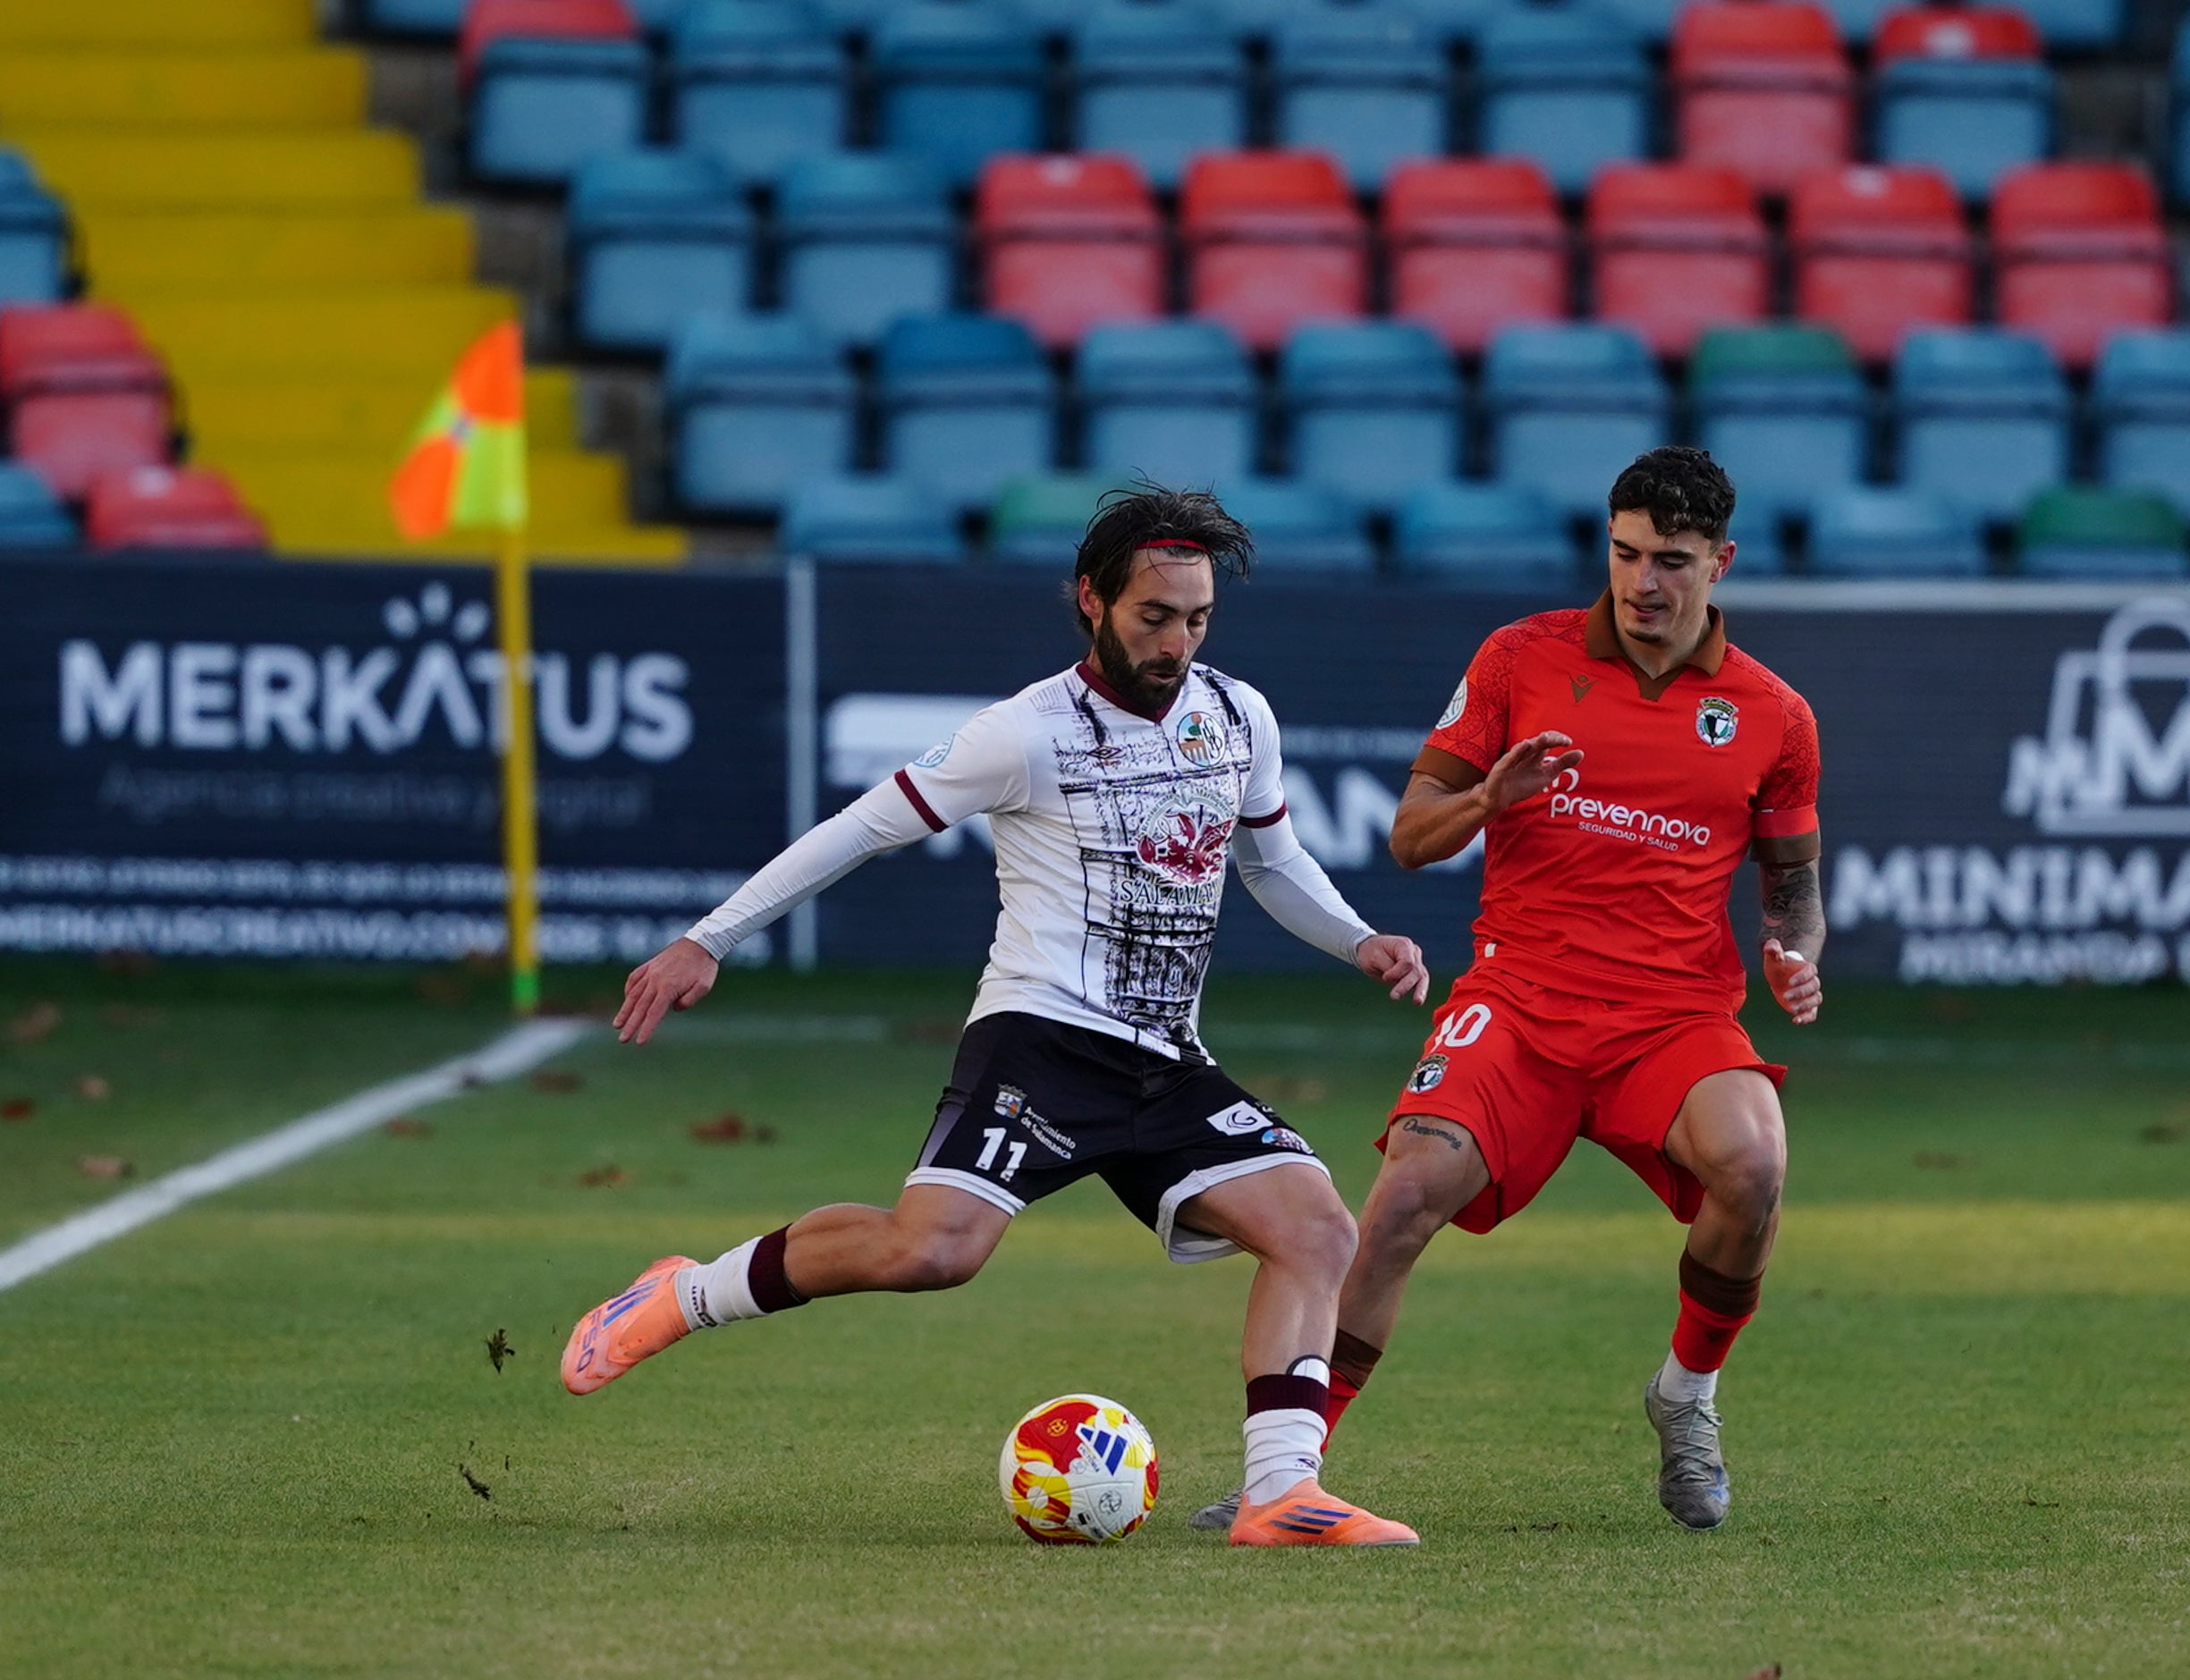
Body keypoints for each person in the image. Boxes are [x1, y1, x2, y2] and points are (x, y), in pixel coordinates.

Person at [565, 485, 1430, 1549]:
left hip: (1167, 1058)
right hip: (1042, 1040)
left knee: (1317, 1227)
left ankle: (1280, 1493)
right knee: (932, 1254)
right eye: (1154, 616)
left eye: (1197, 618)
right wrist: (711, 937)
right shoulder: (1023, 733)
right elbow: (858, 829)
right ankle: (684, 1294)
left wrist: (1360, 939)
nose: (1177, 641)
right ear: (1092, 601)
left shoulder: (1237, 714)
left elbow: (1273, 858)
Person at [1190, 447, 1823, 1534]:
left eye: (1671, 561)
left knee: (1757, 1164)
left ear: (1720, 562)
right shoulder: (1519, 658)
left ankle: (1687, 1396)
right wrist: (1492, 792)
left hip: (1672, 1018)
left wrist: (1793, 949)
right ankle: (1289, 1473)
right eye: (1624, 554)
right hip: (1522, 1001)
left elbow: (1795, 889)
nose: (1642, 583)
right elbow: (1407, 838)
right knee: (1397, 1198)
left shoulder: (1774, 714)